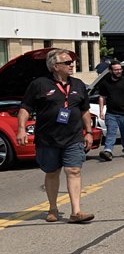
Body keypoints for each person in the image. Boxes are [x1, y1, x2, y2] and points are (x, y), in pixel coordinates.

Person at [16, 49, 95, 224]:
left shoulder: (78, 85)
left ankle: (76, 211)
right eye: (67, 62)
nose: (71, 65)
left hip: (73, 137)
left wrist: (89, 132)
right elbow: (25, 108)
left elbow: (84, 110)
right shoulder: (39, 84)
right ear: (55, 66)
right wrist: (21, 129)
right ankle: (53, 208)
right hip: (48, 138)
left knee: (74, 170)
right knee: (52, 172)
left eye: (71, 62)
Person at [97, 61, 124, 160]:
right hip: (111, 113)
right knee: (111, 132)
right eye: (116, 70)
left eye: (120, 69)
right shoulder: (105, 83)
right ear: (110, 71)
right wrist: (101, 111)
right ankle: (108, 151)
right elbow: (102, 97)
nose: (119, 71)